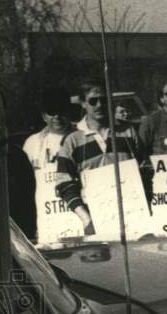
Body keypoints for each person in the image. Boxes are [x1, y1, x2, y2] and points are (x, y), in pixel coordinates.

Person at [54, 79, 151, 236]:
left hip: (134, 219)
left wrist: (144, 202)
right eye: (93, 101)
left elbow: (146, 168)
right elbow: (64, 184)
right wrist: (86, 219)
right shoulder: (72, 140)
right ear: (83, 103)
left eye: (104, 100)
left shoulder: (128, 132)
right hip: (96, 223)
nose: (99, 105)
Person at [22, 86, 74, 241]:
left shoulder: (82, 137)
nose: (57, 116)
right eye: (52, 111)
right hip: (47, 224)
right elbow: (25, 187)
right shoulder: (32, 144)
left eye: (61, 110)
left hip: (79, 219)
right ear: (44, 115)